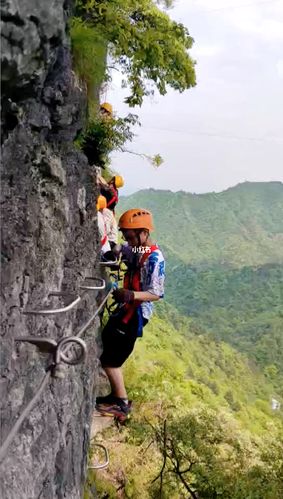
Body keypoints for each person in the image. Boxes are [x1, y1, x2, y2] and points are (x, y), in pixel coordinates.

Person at [96, 209, 165, 421]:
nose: (127, 239)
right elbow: (122, 248)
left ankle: (122, 404)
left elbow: (156, 293)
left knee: (110, 359)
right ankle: (116, 396)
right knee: (108, 343)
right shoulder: (136, 249)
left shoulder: (155, 258)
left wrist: (130, 294)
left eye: (130, 235)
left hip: (135, 313)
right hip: (126, 309)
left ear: (144, 233)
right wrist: (115, 250)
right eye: (125, 235)